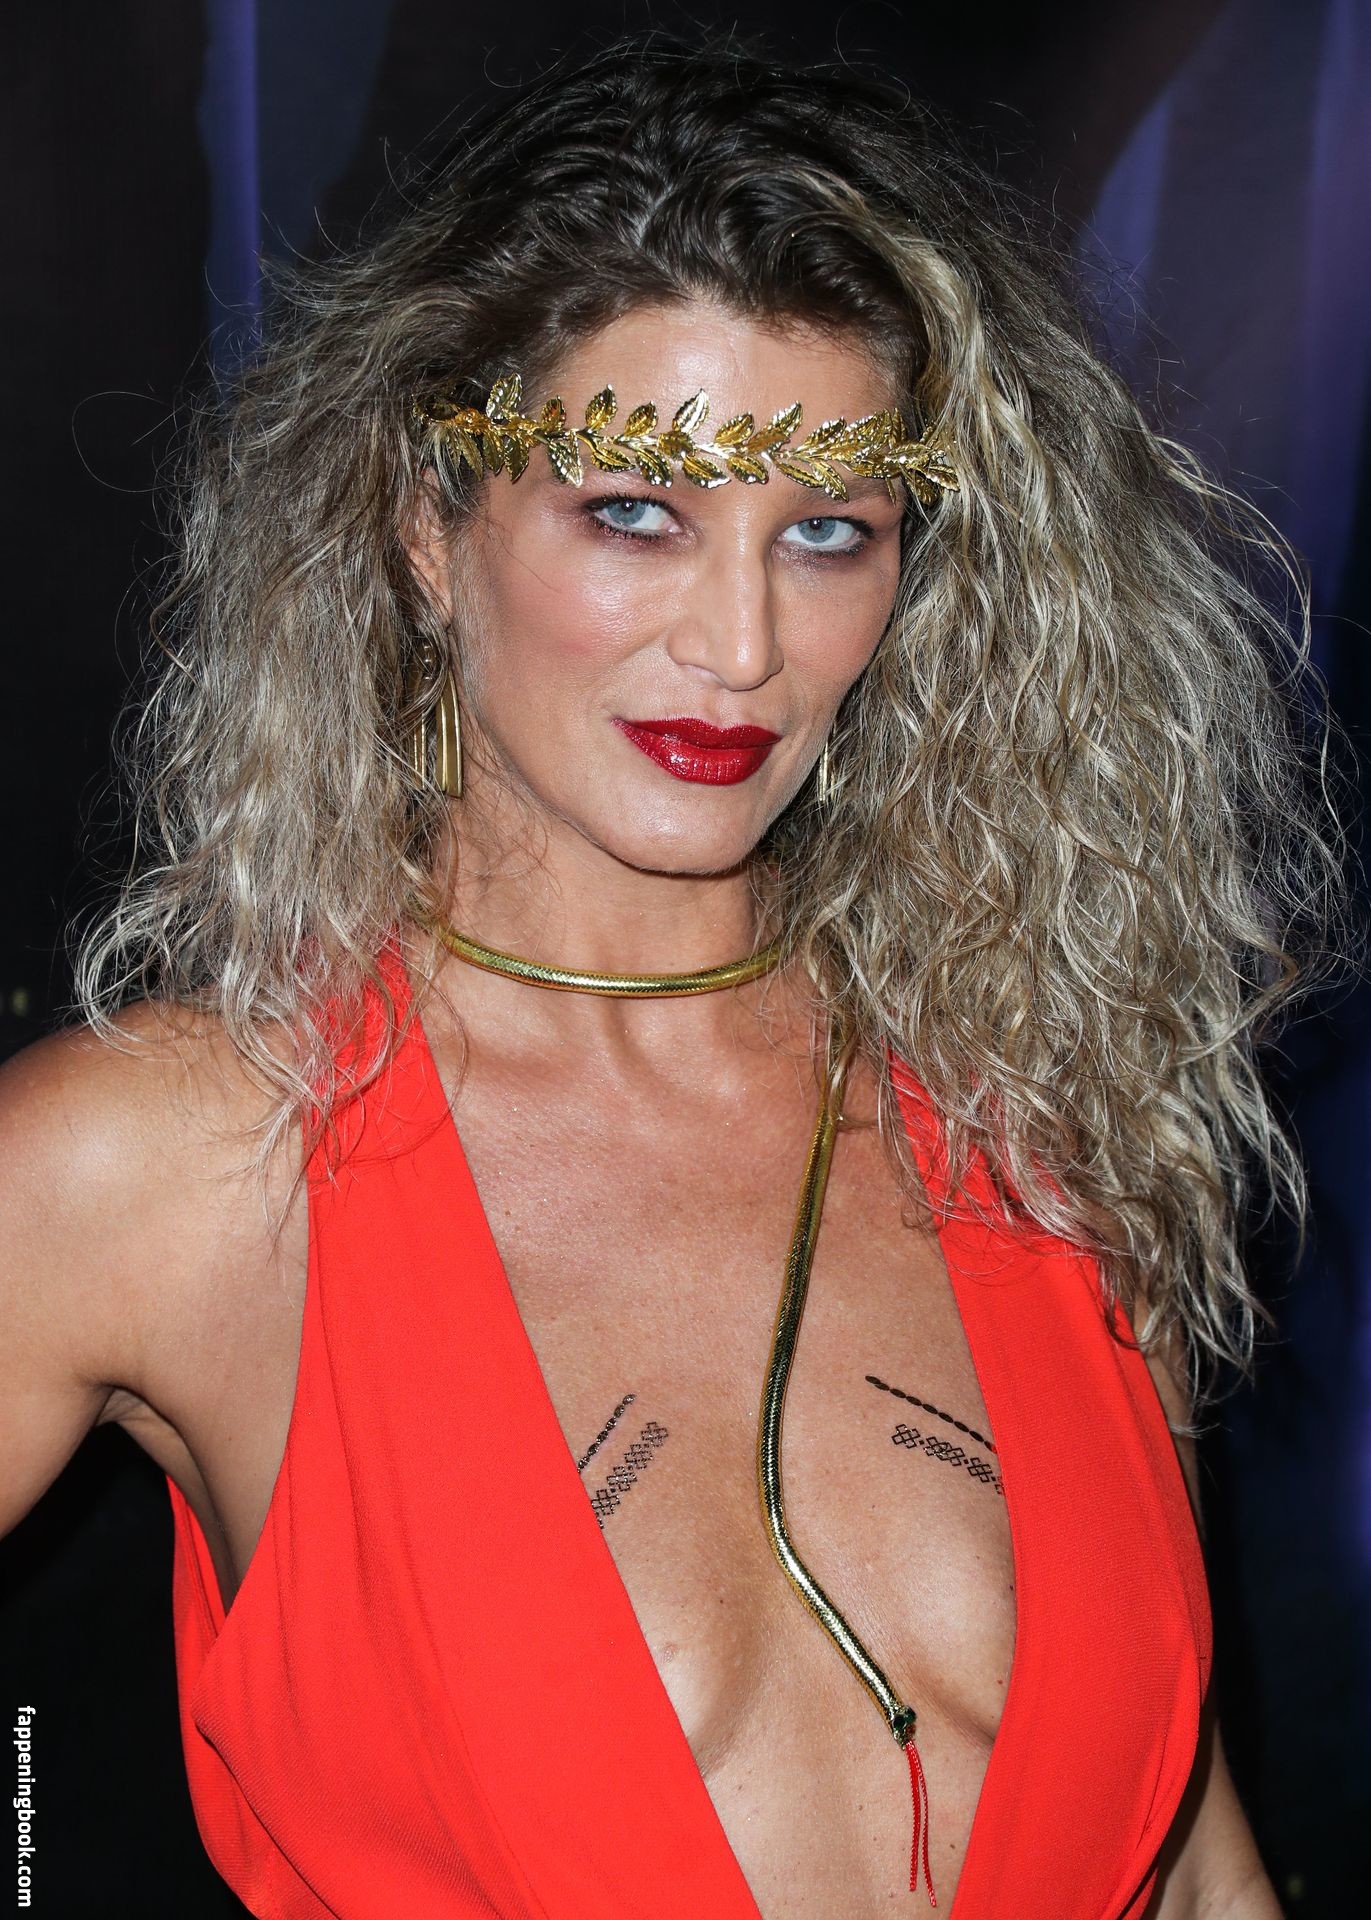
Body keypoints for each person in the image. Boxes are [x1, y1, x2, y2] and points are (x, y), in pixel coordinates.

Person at [0, 29, 1345, 1920]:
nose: (741, 643)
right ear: (425, 525)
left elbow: (1189, 1864)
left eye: (829, 534)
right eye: (635, 513)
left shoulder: (1043, 1113)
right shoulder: (165, 1167)